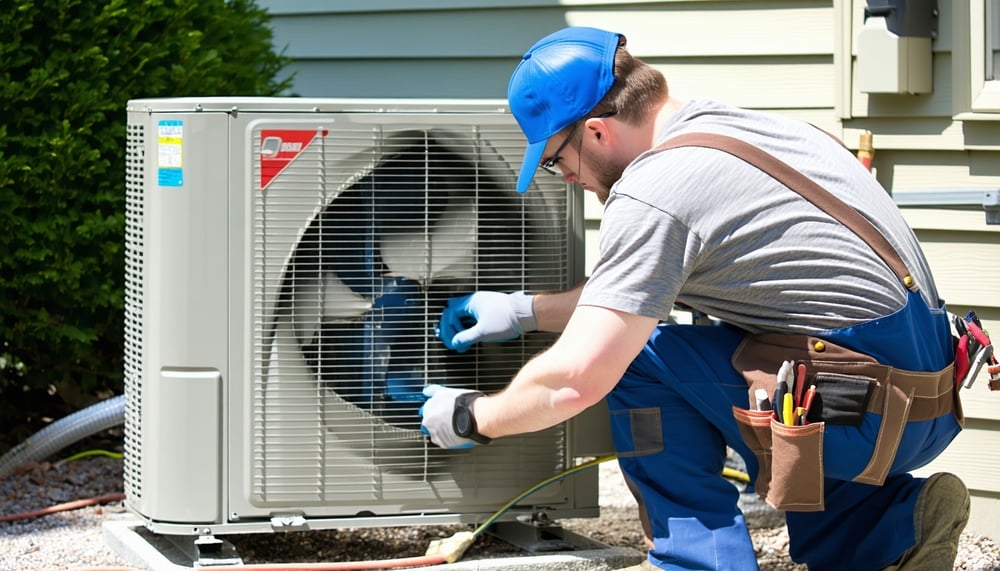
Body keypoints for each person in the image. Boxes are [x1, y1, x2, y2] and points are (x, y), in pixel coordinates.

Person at [419, 26, 969, 571]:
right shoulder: (749, 131)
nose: (562, 177)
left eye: (554, 159)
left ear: (596, 133)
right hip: (924, 396)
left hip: (866, 414)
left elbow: (577, 378)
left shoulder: (655, 191)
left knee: (637, 359)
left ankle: (698, 561)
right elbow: (637, 287)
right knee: (744, 352)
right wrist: (524, 311)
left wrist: (473, 416)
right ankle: (891, 531)